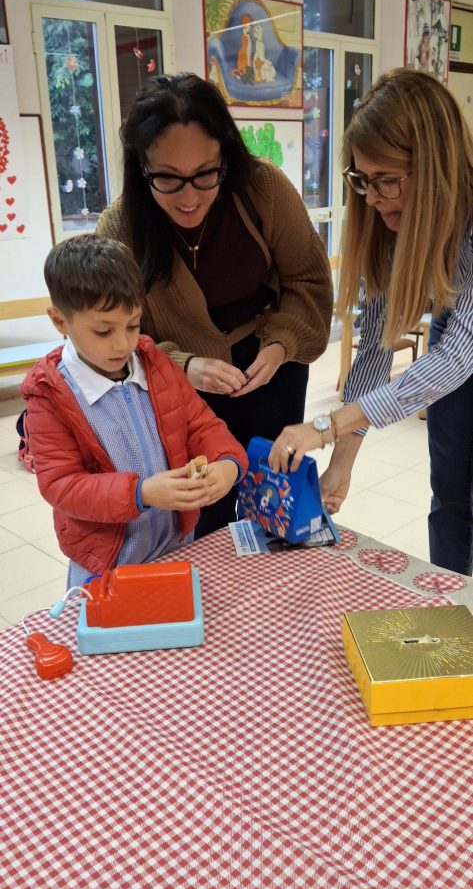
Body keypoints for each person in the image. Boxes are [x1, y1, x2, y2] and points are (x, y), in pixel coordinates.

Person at [95, 71, 333, 537]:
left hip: (269, 365)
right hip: (178, 385)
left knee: (274, 496)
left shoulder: (262, 188)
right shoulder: (121, 228)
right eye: (167, 178)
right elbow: (114, 337)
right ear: (141, 168)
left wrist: (281, 345)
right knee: (204, 508)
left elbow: (308, 280)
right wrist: (183, 365)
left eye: (205, 174)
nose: (189, 198)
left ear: (226, 155)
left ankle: (273, 581)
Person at [269, 67, 473, 576]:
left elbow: (457, 357)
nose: (373, 197)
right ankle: (452, 600)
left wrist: (326, 426)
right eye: (363, 180)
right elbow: (377, 347)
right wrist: (341, 460)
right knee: (450, 492)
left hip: (463, 340)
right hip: (458, 331)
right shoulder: (387, 222)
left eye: (387, 180)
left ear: (435, 170)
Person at [20, 235, 248, 587]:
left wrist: (228, 463)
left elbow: (203, 426)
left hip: (174, 546)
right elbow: (61, 485)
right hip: (105, 563)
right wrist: (140, 493)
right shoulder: (49, 394)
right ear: (59, 321)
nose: (123, 343)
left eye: (133, 325)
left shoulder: (157, 365)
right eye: (103, 331)